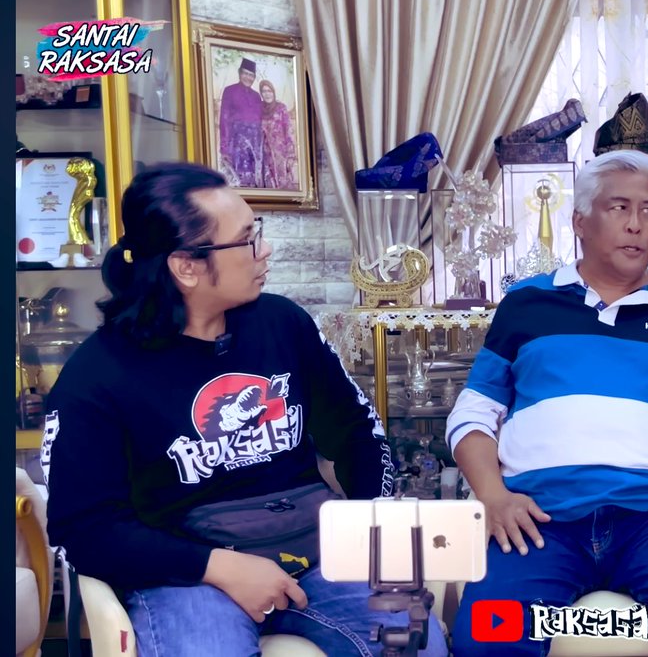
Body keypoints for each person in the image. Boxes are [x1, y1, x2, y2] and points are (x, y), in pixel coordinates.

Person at [41, 163, 448, 657]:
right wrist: (218, 567)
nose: (266, 249)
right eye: (247, 239)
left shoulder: (283, 324)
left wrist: (367, 527)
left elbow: (358, 431)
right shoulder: (96, 376)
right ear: (186, 266)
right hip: (185, 573)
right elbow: (82, 530)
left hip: (317, 554)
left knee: (416, 643)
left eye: (258, 231)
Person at [447, 150, 648, 655]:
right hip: (541, 520)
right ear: (580, 221)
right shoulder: (527, 304)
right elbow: (472, 415)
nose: (636, 224)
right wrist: (491, 493)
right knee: (489, 635)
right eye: (619, 208)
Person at [219, 58, 264, 187]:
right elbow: (224, 119)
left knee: (254, 182)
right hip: (236, 144)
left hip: (255, 145)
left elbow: (260, 121)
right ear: (239, 73)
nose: (248, 78)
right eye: (245, 73)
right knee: (237, 181)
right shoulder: (229, 91)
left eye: (251, 75)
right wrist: (224, 148)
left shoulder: (256, 96)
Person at [260, 79, 297, 191]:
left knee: (283, 186)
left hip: (281, 155)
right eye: (264, 91)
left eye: (269, 91)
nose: (267, 94)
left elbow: (289, 132)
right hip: (264, 155)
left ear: (273, 92)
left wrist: (291, 156)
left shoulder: (281, 108)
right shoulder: (258, 109)